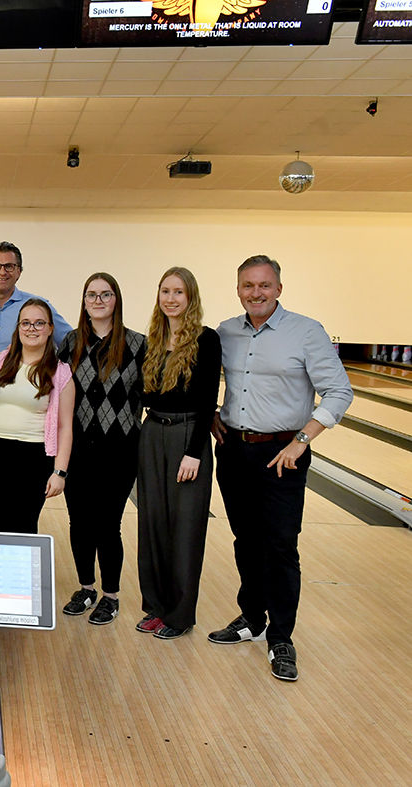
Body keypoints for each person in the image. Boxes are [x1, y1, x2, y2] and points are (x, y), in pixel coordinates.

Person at [209, 255, 353, 682]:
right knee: (245, 541)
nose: (256, 292)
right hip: (234, 451)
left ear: (279, 288)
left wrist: (301, 440)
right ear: (238, 289)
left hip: (282, 455)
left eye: (264, 285)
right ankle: (252, 618)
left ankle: (282, 637)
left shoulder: (306, 332)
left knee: (281, 547)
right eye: (248, 285)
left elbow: (339, 392)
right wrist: (213, 414)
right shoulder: (226, 332)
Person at [135, 267, 221, 641]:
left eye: (178, 292)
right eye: (165, 291)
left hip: (188, 436)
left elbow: (206, 403)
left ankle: (181, 614)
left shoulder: (206, 339)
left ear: (191, 298)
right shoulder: (152, 341)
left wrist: (194, 452)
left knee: (184, 528)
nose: (171, 298)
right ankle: (155, 606)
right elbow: (144, 395)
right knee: (151, 524)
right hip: (153, 433)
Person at [59, 273, 145, 626]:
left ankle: (110, 596)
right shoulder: (70, 343)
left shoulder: (138, 344)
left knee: (108, 525)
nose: (98, 300)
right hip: (78, 448)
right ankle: (86, 587)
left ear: (116, 300)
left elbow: (153, 392)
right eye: (91, 295)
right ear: (83, 301)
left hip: (120, 449)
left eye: (105, 294)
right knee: (79, 522)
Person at [0, 299, 73, 533]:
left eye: (39, 323)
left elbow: (65, 427)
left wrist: (59, 472)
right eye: (26, 323)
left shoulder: (60, 373)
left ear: (51, 328)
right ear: (18, 327)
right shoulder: (0, 361)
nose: (32, 329)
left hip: (33, 458)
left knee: (24, 528)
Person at [0, 241, 71, 360]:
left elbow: (71, 344)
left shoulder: (39, 308)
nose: (2, 272)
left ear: (19, 272)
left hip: (21, 378)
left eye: (9, 266)